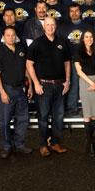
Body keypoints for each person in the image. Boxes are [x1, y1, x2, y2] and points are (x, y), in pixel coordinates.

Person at [27, 17, 72, 156]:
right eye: (48, 25)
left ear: (56, 26)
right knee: (43, 116)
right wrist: (36, 83)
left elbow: (67, 62)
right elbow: (29, 64)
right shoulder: (37, 43)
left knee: (58, 116)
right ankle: (43, 144)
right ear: (43, 27)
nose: (50, 27)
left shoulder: (62, 42)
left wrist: (67, 81)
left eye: (52, 24)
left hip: (60, 85)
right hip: (43, 86)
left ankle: (55, 143)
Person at [0, 26, 33, 159]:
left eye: (13, 35)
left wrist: (30, 86)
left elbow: (26, 70)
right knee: (5, 121)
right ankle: (6, 146)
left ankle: (19, 144)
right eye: (8, 35)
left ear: (16, 36)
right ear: (3, 37)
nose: (11, 37)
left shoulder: (21, 50)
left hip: (21, 89)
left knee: (22, 119)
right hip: (7, 90)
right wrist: (2, 92)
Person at [58, 4, 93, 115]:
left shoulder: (87, 27)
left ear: (80, 12)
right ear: (69, 13)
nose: (74, 13)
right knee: (73, 84)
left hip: (86, 59)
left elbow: (92, 43)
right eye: (71, 11)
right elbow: (60, 45)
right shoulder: (63, 28)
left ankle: (88, 108)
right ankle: (72, 108)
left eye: (76, 11)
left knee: (87, 83)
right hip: (71, 60)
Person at [74, 30, 95, 157]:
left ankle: (89, 139)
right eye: (86, 37)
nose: (89, 39)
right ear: (82, 39)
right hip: (85, 82)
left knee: (94, 114)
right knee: (87, 114)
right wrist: (91, 83)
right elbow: (79, 72)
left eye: (91, 37)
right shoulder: (78, 52)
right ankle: (90, 143)